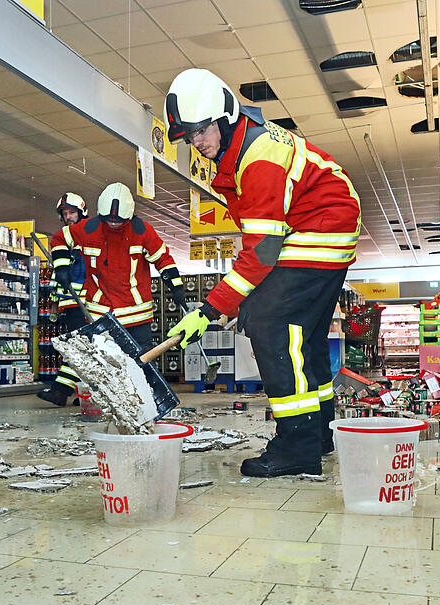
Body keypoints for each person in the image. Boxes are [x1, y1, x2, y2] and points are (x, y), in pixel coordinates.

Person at [164, 69, 361, 477]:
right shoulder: (241, 147)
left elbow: (263, 252)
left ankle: (296, 448)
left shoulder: (258, 159)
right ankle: (319, 434)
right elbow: (261, 240)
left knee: (271, 323)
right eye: (189, 136)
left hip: (321, 229)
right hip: (320, 228)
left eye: (201, 131)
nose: (197, 143)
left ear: (224, 117)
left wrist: (209, 308)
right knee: (301, 337)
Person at [49, 181, 186, 354]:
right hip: (101, 315)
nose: (113, 224)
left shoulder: (142, 231)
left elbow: (163, 259)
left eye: (118, 222)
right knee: (105, 368)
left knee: (141, 365)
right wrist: (61, 267)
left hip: (136, 317)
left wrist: (176, 286)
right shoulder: (89, 228)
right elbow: (60, 239)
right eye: (109, 221)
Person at [37, 192, 90, 407]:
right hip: (70, 302)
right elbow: (59, 276)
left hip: (84, 303)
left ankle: (61, 391)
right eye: (65, 213)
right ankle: (85, 392)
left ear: (81, 212)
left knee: (78, 346)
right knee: (82, 347)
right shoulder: (64, 240)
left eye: (72, 212)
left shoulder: (87, 236)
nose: (68, 217)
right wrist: (54, 304)